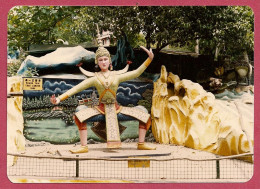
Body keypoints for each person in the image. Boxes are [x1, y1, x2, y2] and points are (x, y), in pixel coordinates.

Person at [51, 46, 155, 153]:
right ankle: (83, 146)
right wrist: (59, 99)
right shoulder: (95, 78)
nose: (103, 62)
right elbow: (76, 88)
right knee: (79, 111)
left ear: (109, 61)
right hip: (100, 111)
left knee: (143, 110)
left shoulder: (116, 76)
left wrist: (149, 59)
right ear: (97, 63)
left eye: (105, 59)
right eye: (101, 60)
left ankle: (141, 143)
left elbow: (136, 73)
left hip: (116, 110)